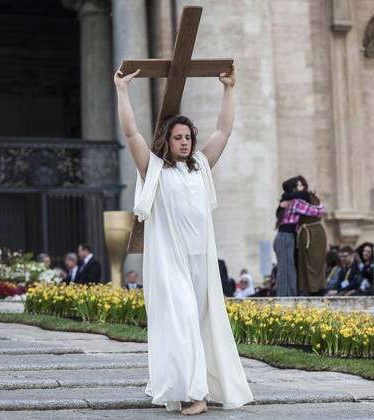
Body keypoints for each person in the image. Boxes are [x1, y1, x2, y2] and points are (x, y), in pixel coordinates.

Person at [114, 66, 252, 414]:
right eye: (178, 137)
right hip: (169, 261)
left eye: (188, 136)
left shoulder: (201, 165)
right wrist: (122, 91)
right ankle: (195, 395)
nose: (185, 141)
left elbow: (224, 129)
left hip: (200, 261)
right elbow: (131, 134)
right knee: (183, 319)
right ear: (166, 140)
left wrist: (229, 90)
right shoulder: (154, 169)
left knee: (204, 322)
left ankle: (205, 386)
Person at [273, 178, 326, 297]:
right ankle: (286, 297)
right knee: (287, 270)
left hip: (285, 237)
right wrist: (321, 206)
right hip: (286, 237)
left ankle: (287, 296)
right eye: (299, 185)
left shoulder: (289, 200)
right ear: (294, 189)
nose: (303, 186)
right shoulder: (296, 202)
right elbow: (318, 211)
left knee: (288, 268)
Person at [295, 177, 328, 297]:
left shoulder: (311, 198)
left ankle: (318, 288)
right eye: (296, 185)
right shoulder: (296, 200)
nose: (298, 188)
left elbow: (320, 211)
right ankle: (307, 288)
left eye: (300, 185)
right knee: (304, 261)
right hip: (305, 232)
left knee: (317, 261)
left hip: (315, 232)